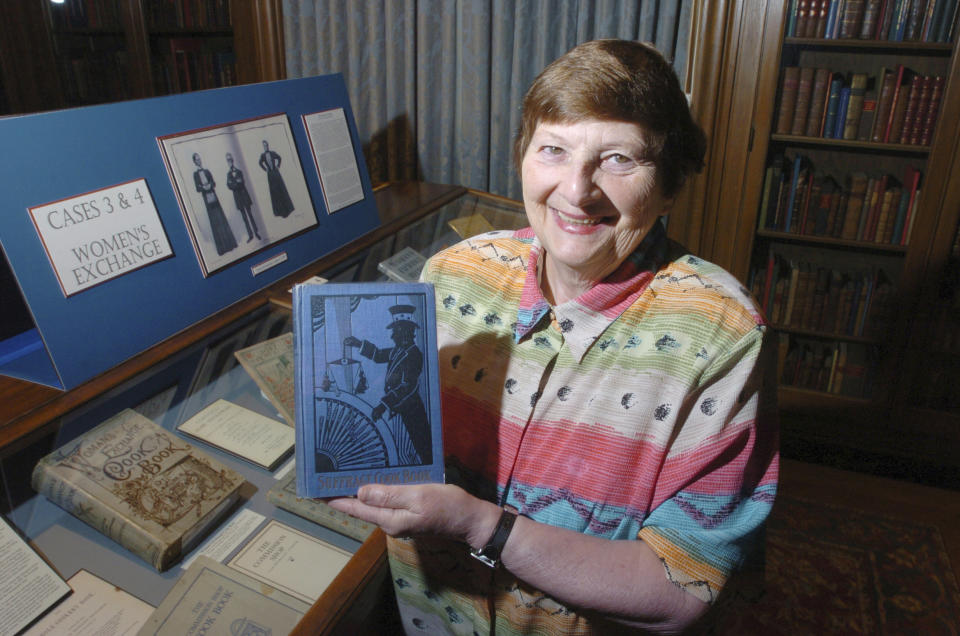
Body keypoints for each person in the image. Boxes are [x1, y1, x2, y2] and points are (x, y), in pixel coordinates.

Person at [330, 39, 778, 634]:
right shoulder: (452, 274)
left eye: (619, 159)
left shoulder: (724, 337)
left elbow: (681, 592)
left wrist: (481, 526)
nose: (576, 190)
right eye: (554, 150)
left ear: (669, 187)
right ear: (523, 157)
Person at [343, 304, 432, 465]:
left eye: (395, 332)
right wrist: (358, 344)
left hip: (410, 409)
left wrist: (383, 405)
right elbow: (377, 355)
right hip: (399, 408)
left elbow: (406, 386)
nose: (392, 336)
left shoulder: (413, 354)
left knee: (422, 446)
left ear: (406, 332)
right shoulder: (397, 350)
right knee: (407, 447)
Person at [192, 152, 237, 256]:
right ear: (194, 162)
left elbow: (214, 182)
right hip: (207, 200)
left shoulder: (207, 171)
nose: (199, 161)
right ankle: (222, 248)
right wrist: (203, 187)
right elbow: (197, 188)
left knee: (221, 218)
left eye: (199, 159)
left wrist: (210, 185)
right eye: (197, 160)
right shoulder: (195, 175)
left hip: (214, 197)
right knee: (215, 221)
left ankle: (230, 244)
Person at [225, 152, 261, 242]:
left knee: (250, 215)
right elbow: (229, 186)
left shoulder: (239, 171)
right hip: (238, 198)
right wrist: (236, 183)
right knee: (244, 217)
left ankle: (256, 232)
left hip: (244, 196)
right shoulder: (228, 174)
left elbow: (241, 182)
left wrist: (234, 184)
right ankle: (250, 235)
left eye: (230, 160)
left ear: (233, 161)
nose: (230, 162)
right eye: (228, 160)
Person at [259, 140, 295, 218]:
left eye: (266, 145)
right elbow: (260, 163)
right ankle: (279, 212)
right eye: (264, 146)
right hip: (270, 175)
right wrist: (265, 169)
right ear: (263, 147)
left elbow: (279, 158)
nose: (265, 147)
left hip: (276, 173)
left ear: (268, 146)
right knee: (275, 193)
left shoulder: (272, 153)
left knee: (281, 190)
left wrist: (278, 166)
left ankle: (287, 209)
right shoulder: (262, 155)